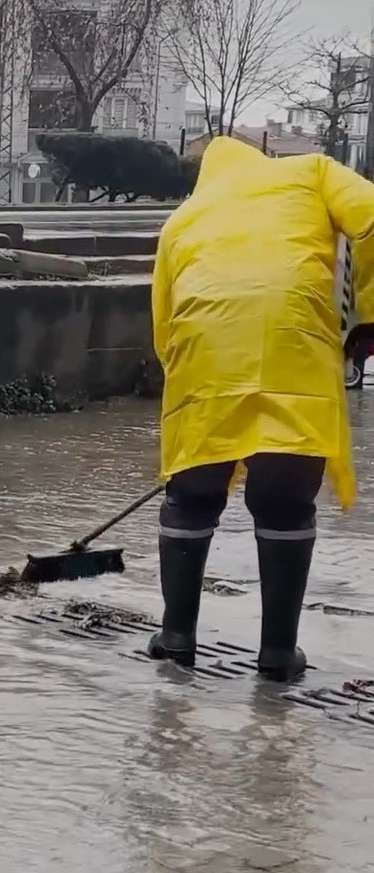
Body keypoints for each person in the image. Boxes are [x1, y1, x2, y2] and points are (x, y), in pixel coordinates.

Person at [148, 136, 374, 682]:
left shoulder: (183, 219)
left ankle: (177, 638)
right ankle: (277, 653)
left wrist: (195, 395)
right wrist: (367, 314)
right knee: (283, 504)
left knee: (192, 497)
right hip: (293, 350)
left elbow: (163, 322)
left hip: (204, 356)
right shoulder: (313, 173)